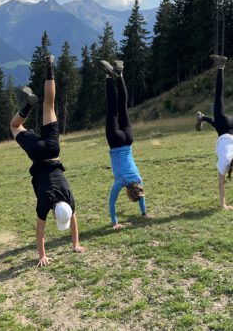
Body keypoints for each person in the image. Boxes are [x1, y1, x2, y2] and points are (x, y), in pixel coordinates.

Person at [10, 55, 86, 266]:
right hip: (38, 154)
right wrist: (42, 255)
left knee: (49, 106)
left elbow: (73, 222)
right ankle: (26, 106)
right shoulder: (46, 204)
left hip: (53, 151)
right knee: (15, 127)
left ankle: (50, 65)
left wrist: (75, 243)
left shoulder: (70, 198)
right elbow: (40, 232)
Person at [100, 59, 151, 229]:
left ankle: (120, 73)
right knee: (112, 108)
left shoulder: (138, 178)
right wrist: (115, 222)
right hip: (115, 141)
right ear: (128, 192)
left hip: (128, 139)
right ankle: (108, 76)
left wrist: (145, 213)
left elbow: (141, 193)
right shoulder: (120, 182)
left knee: (122, 107)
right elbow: (111, 203)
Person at [195, 54, 233, 210]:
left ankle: (202, 117)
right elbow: (221, 184)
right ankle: (220, 66)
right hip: (226, 127)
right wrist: (223, 205)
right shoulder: (225, 161)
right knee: (218, 97)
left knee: (217, 124)